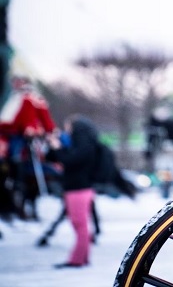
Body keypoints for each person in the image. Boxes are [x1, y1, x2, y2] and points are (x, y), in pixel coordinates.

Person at [45, 115, 99, 268]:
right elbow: (54, 158)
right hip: (79, 189)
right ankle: (83, 257)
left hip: (78, 189)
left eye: (68, 126)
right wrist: (55, 146)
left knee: (79, 224)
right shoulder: (81, 143)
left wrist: (58, 148)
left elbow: (70, 161)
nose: (66, 130)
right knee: (81, 224)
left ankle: (76, 259)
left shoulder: (84, 144)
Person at [0, 75, 57, 220]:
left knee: (17, 159)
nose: (16, 84)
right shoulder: (13, 98)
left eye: (19, 81)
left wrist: (48, 131)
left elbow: (45, 118)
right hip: (9, 134)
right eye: (15, 81)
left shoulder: (33, 98)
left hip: (24, 136)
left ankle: (17, 172)